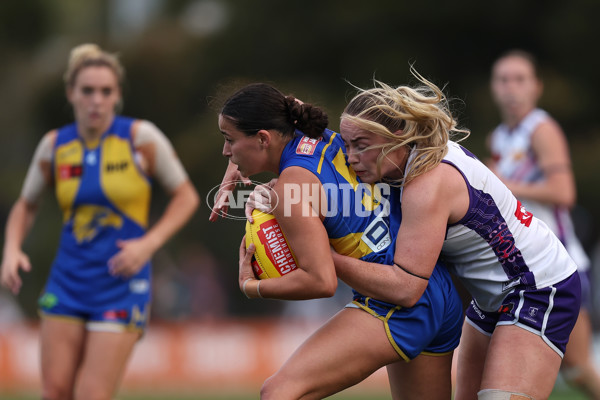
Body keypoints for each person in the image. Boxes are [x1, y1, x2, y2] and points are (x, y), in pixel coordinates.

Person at [332, 67, 581, 400]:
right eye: (347, 145)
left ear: (397, 135)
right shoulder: (412, 156)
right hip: (492, 296)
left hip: (538, 288)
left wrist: (324, 258)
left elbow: (406, 288)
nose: (350, 158)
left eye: (361, 145)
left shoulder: (427, 184)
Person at [215, 83, 463, 400]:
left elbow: (321, 282)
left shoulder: (290, 189)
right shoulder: (313, 132)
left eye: (229, 141)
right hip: (435, 287)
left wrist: (253, 287)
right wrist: (232, 169)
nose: (226, 152)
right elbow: (285, 102)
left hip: (393, 303)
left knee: (279, 392)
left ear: (263, 138)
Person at [0, 43, 199, 400]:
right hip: (67, 280)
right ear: (71, 94)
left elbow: (186, 197)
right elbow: (26, 206)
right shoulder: (54, 146)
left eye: (106, 91)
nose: (96, 100)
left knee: (93, 395)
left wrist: (147, 245)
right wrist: (11, 250)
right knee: (55, 392)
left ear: (117, 95)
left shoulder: (141, 139)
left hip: (121, 283)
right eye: (87, 91)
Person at [487, 49, 600, 398]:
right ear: (493, 87)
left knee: (577, 369)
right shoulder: (499, 138)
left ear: (536, 87)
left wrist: (500, 183)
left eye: (520, 79)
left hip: (563, 264)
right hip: (528, 266)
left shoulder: (542, 129)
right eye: (503, 80)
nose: (511, 88)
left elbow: (563, 192)